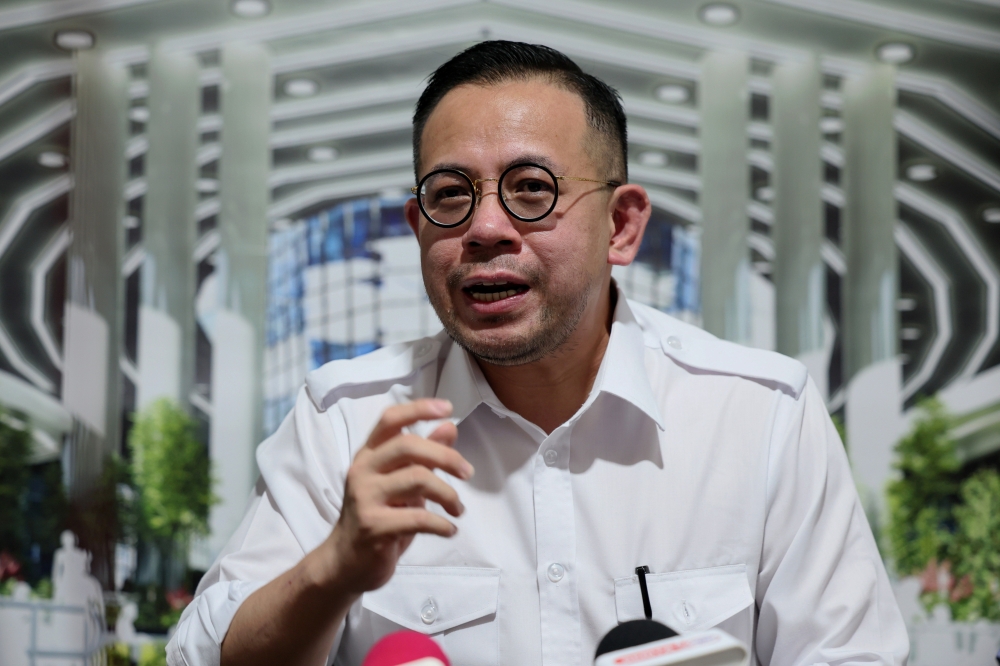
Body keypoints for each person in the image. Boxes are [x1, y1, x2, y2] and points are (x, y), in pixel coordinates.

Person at [167, 41, 908, 666]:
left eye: (531, 189)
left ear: (621, 225)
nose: (486, 226)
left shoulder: (760, 415)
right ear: (419, 228)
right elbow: (202, 655)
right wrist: (332, 569)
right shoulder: (348, 419)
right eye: (450, 195)